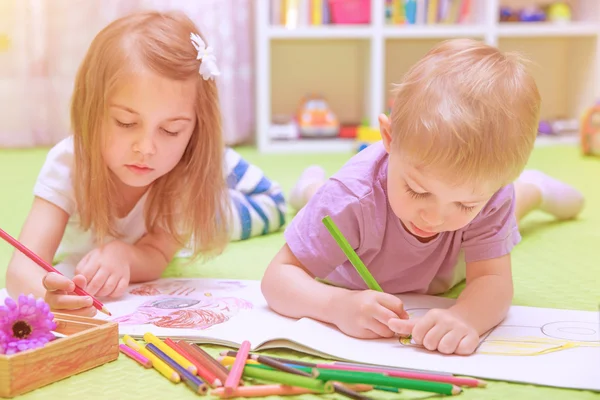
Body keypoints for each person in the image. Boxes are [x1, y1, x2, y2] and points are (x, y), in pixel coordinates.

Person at [262, 38, 585, 356]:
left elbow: (492, 279)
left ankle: (534, 187)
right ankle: (309, 189)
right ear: (389, 137)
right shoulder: (347, 198)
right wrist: (335, 305)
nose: (434, 217)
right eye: (418, 190)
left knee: (509, 211)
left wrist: (466, 317)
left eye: (465, 203)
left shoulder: (492, 193)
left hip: (450, 263)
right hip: (352, 221)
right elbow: (277, 279)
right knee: (326, 203)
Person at [5, 10, 286, 316]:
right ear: (92, 110)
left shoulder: (185, 170)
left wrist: (124, 256)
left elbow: (157, 252)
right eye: (126, 123)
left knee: (266, 203)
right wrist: (47, 300)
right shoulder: (69, 163)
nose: (146, 148)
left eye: (170, 129)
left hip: (200, 199)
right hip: (186, 198)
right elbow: (22, 269)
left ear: (195, 129)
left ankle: (307, 188)